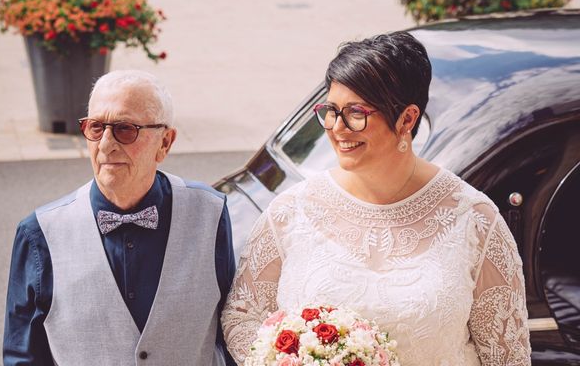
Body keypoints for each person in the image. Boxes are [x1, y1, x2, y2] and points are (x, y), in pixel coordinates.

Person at [222, 32, 531, 365]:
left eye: (356, 112)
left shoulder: (475, 220)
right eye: (330, 110)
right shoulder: (291, 212)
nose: (337, 128)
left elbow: (507, 357)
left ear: (407, 119)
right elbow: (243, 316)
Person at [4, 70, 236, 365]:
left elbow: (231, 334)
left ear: (165, 142)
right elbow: (21, 357)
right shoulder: (38, 234)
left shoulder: (210, 214)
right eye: (96, 127)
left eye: (125, 129)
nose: (105, 145)